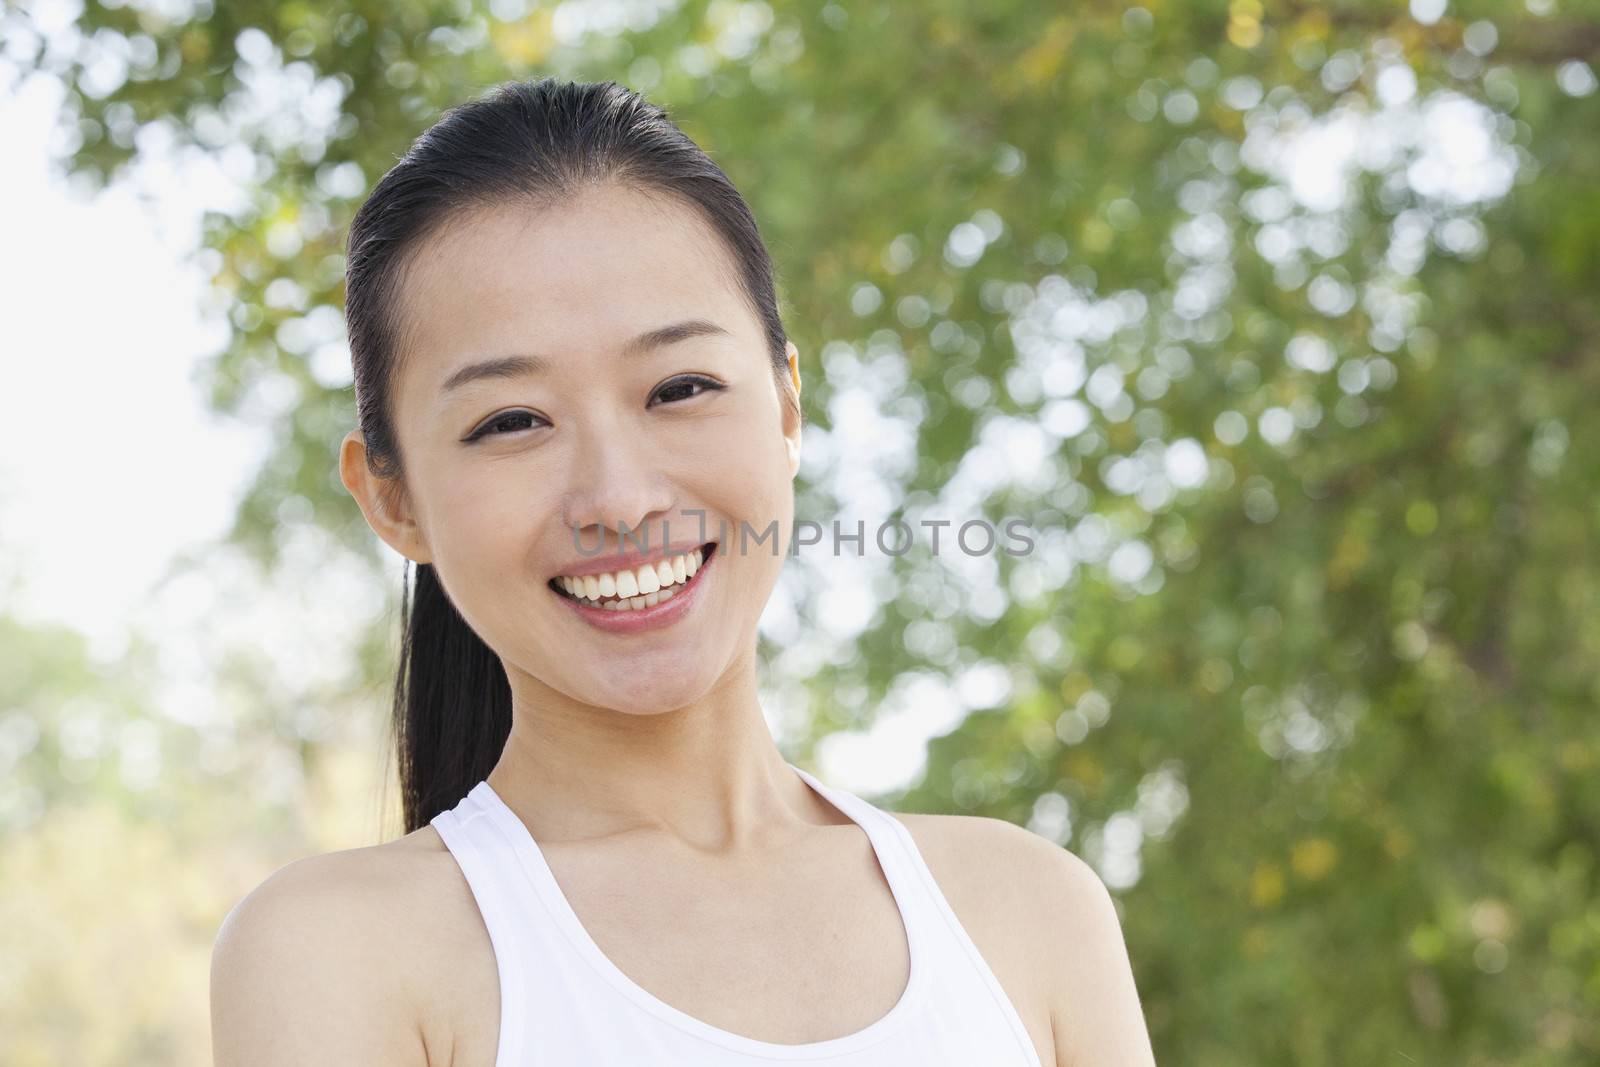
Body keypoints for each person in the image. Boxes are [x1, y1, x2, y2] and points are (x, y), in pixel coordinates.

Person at [210, 77, 1157, 1066]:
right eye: (511, 420)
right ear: (392, 499)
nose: (618, 498)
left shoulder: (1029, 913)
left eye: (680, 387)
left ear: (787, 407)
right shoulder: (341, 951)